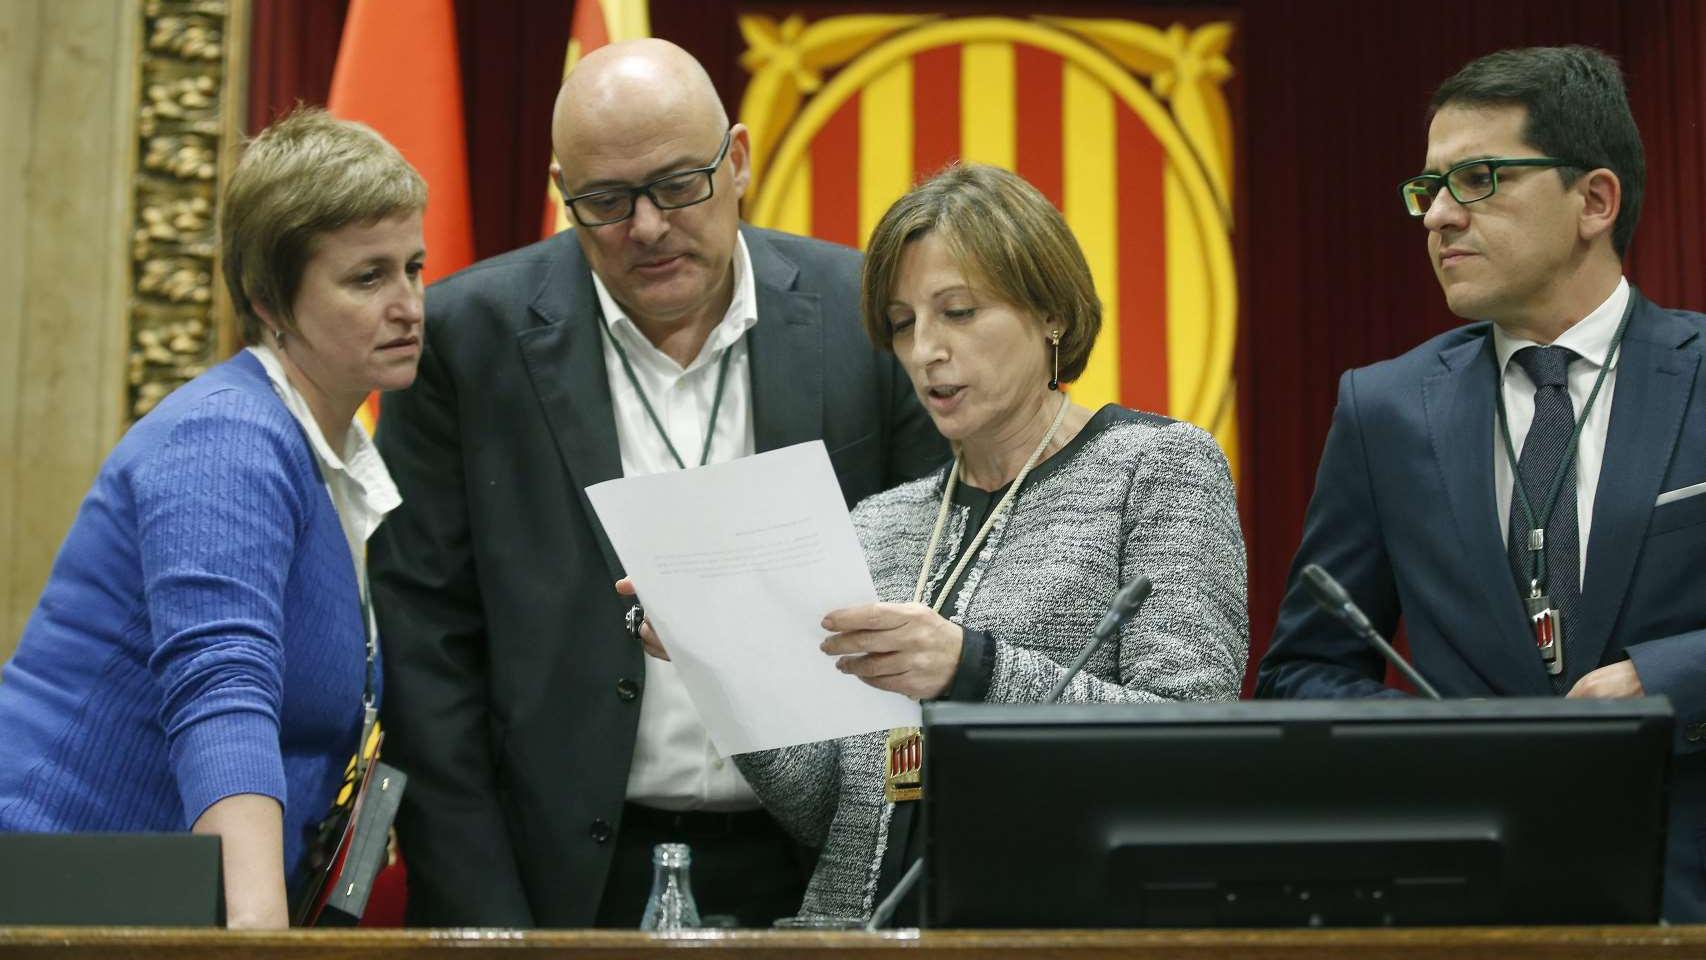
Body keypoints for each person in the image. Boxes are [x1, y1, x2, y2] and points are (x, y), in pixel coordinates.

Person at [368, 38, 946, 929]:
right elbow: (425, 650)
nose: (646, 226)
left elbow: (935, 588)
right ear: (563, 190)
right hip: (560, 881)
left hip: (823, 868)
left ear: (740, 160)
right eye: (604, 200)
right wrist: (484, 922)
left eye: (680, 184)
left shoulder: (863, 315)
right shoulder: (464, 340)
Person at [632, 162, 1248, 923]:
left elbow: (1196, 752)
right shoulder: (881, 523)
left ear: (1050, 312)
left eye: (957, 312)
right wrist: (718, 666)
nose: (925, 351)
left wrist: (973, 669)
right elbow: (834, 811)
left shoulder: (1157, 469)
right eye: (902, 323)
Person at [1257, 46, 1706, 920]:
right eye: (1430, 189)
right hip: (1467, 899)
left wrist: (1665, 681)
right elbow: (1305, 669)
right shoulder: (1384, 410)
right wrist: (1440, 740)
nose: (1437, 218)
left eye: (1481, 178)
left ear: (1594, 201)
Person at [0, 107, 427, 927]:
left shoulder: (314, 451)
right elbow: (222, 691)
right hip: (54, 904)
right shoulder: (227, 434)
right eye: (367, 277)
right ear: (270, 298)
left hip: (141, 908)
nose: (408, 304)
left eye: (412, 266)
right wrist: (256, 945)